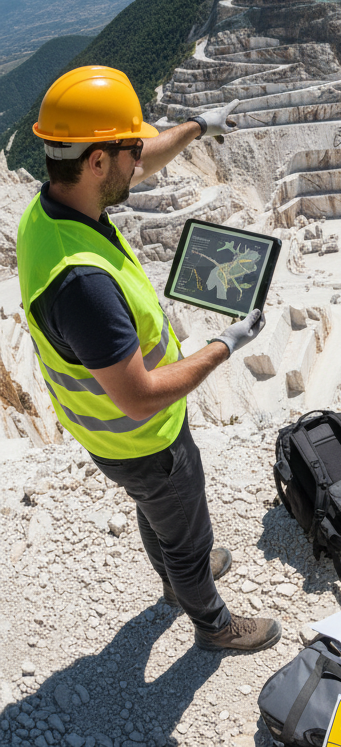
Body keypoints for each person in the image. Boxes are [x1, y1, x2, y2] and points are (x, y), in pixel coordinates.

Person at [16, 65, 279, 653]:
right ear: (97, 163)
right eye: (129, 151)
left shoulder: (54, 208)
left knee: (157, 511)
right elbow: (136, 397)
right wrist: (225, 344)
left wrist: (196, 128)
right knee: (187, 531)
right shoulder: (82, 284)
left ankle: (174, 581)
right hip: (144, 437)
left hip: (108, 438)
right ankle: (212, 623)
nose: (141, 159)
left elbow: (138, 157)